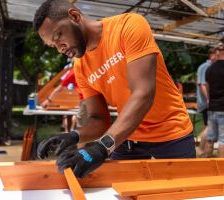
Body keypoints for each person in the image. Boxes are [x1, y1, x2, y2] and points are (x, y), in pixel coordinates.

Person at [34, 0, 195, 178]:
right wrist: (74, 135)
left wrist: (103, 146)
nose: (60, 48)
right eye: (53, 45)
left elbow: (143, 93)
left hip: (171, 133)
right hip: (126, 138)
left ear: (74, 16)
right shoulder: (80, 66)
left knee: (178, 193)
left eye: (59, 36)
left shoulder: (128, 25)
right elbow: (99, 119)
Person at [196, 48, 218, 157]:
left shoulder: (208, 66)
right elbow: (202, 84)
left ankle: (202, 151)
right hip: (207, 103)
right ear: (211, 55)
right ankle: (201, 150)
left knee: (207, 127)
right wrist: (209, 99)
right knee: (209, 127)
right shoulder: (206, 66)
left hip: (207, 102)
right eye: (216, 54)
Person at [205, 44, 224, 157]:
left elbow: (207, 86)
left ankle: (206, 165)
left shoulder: (210, 68)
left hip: (212, 107)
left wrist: (210, 100)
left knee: (210, 138)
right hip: (223, 108)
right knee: (223, 141)